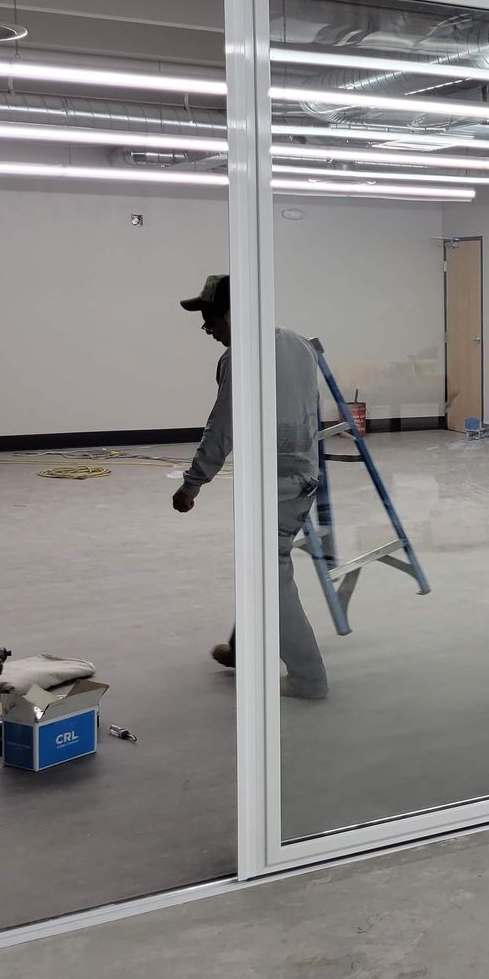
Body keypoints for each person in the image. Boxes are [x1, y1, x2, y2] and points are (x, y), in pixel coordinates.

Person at [173, 274, 330, 699]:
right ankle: (245, 649)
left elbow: (222, 427)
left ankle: (308, 678)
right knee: (262, 569)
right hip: (302, 477)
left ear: (233, 314)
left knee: (271, 575)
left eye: (210, 319)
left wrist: (192, 484)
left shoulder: (239, 357)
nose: (207, 329)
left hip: (273, 488)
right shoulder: (298, 343)